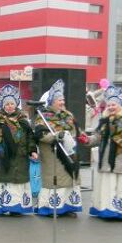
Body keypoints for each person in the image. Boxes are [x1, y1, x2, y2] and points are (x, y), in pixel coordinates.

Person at [79, 86, 122, 220]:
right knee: (107, 187)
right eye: (109, 105)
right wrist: (87, 140)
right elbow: (97, 138)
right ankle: (106, 210)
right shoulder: (104, 122)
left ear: (121, 105)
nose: (111, 107)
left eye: (113, 104)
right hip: (106, 162)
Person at [0, 84, 37, 215]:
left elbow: (30, 136)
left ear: (16, 104)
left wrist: (32, 150)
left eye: (12, 103)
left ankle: (16, 207)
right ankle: (1, 206)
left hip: (20, 156)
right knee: (3, 181)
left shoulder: (23, 119)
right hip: (2, 157)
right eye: (6, 104)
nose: (9, 106)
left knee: (16, 181)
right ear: (2, 105)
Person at [34, 79, 83, 217]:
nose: (62, 102)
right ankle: (51, 207)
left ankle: (68, 207)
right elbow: (41, 136)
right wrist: (57, 136)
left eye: (63, 99)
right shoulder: (42, 118)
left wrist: (83, 137)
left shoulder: (69, 116)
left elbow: (77, 132)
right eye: (58, 100)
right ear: (51, 102)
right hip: (53, 156)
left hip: (70, 153)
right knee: (56, 182)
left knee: (69, 181)